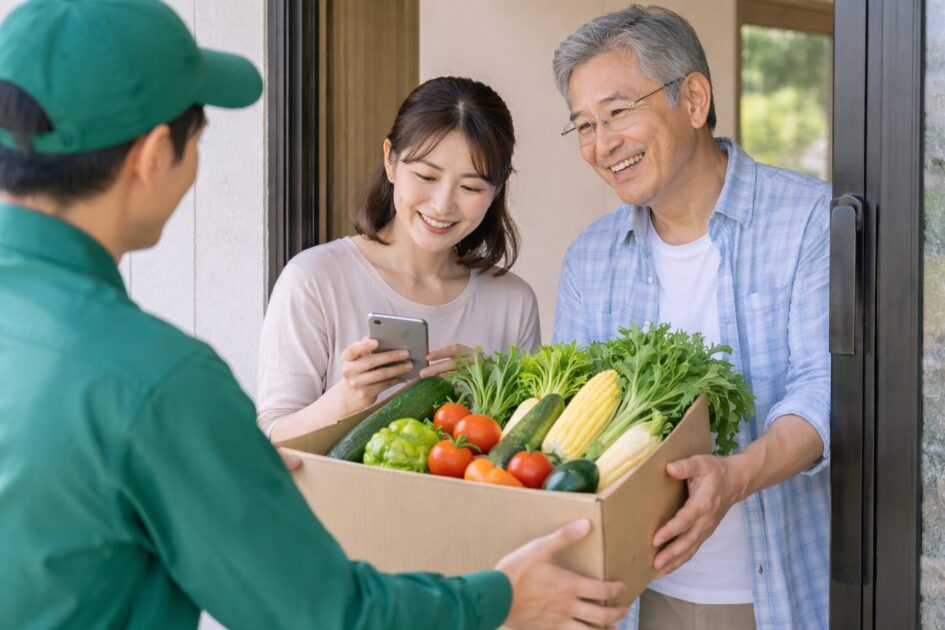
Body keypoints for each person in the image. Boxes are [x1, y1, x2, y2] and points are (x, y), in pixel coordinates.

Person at [0, 1, 629, 628]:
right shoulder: (159, 382)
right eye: (199, 135)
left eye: (471, 184)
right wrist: (502, 600)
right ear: (152, 155)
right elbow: (319, 612)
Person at [551, 6, 830, 630]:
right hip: (636, 596)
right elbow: (573, 420)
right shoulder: (590, 257)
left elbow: (824, 391)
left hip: (776, 590)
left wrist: (733, 477)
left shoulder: (809, 221)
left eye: (618, 112)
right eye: (584, 126)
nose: (602, 145)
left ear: (694, 98)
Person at [256, 76, 541, 442]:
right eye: (425, 175)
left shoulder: (512, 302)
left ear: (497, 189)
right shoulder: (314, 279)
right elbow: (272, 438)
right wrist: (349, 397)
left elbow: (530, 449)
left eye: (470, 187)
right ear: (390, 161)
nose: (442, 205)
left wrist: (501, 388)